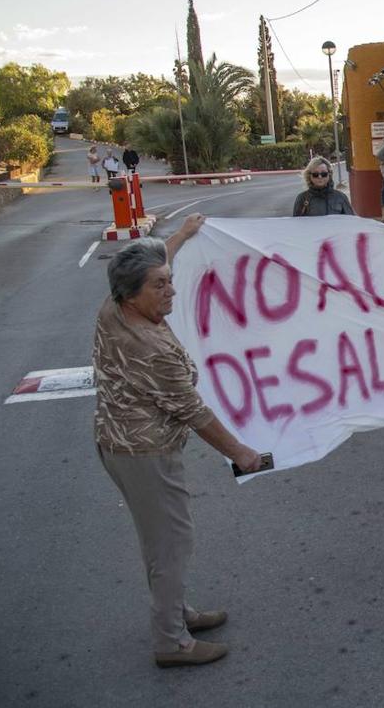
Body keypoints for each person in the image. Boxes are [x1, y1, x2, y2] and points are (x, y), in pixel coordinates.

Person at [93, 215, 263, 668]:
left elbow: (150, 262)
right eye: (160, 286)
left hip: (120, 443)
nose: (171, 290)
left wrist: (183, 236)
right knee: (171, 543)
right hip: (144, 453)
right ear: (133, 294)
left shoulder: (113, 306)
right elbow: (194, 411)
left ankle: (177, 612)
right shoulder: (149, 346)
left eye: (170, 281)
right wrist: (242, 454)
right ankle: (171, 641)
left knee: (159, 540)